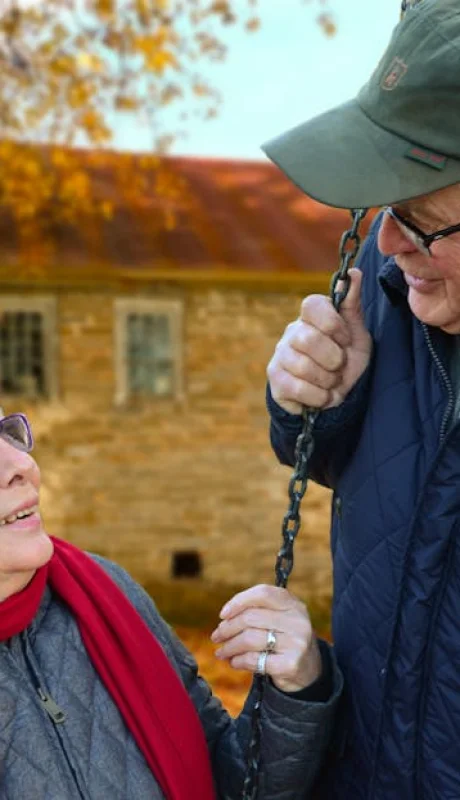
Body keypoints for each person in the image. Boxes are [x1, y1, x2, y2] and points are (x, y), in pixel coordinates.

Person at [263, 1, 460, 798]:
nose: (386, 243)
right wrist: (313, 405)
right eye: (383, 209)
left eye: (418, 218)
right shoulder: (391, 292)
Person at [0, 409, 342, 800]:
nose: (21, 464)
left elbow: (226, 782)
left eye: (7, 434)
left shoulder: (105, 592)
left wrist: (294, 692)